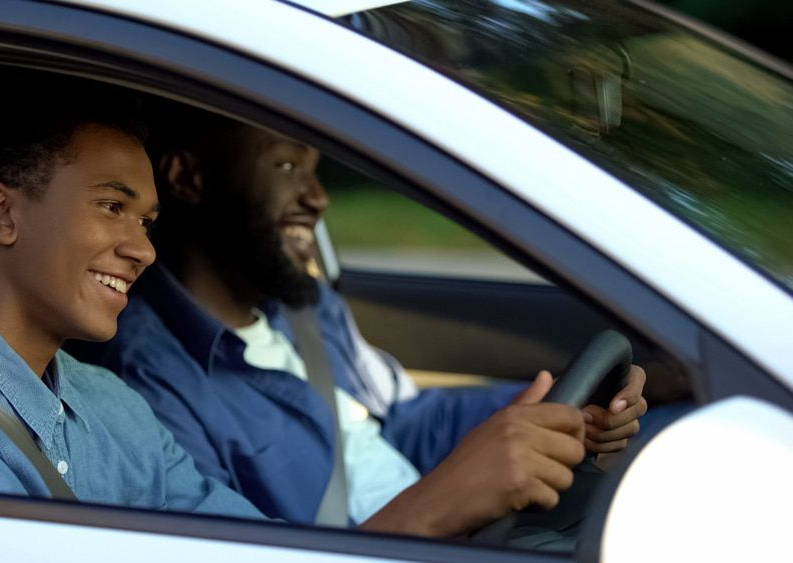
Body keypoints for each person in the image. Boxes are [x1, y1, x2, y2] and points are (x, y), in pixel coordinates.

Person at [68, 107, 648, 535]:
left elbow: (401, 421)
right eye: (288, 164)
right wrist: (450, 498)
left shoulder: (303, 303)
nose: (318, 197)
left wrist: (559, 418)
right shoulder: (144, 381)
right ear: (189, 180)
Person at [0, 91, 262, 517]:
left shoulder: (116, 403)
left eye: (146, 223)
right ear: (2, 214)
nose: (145, 251)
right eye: (112, 207)